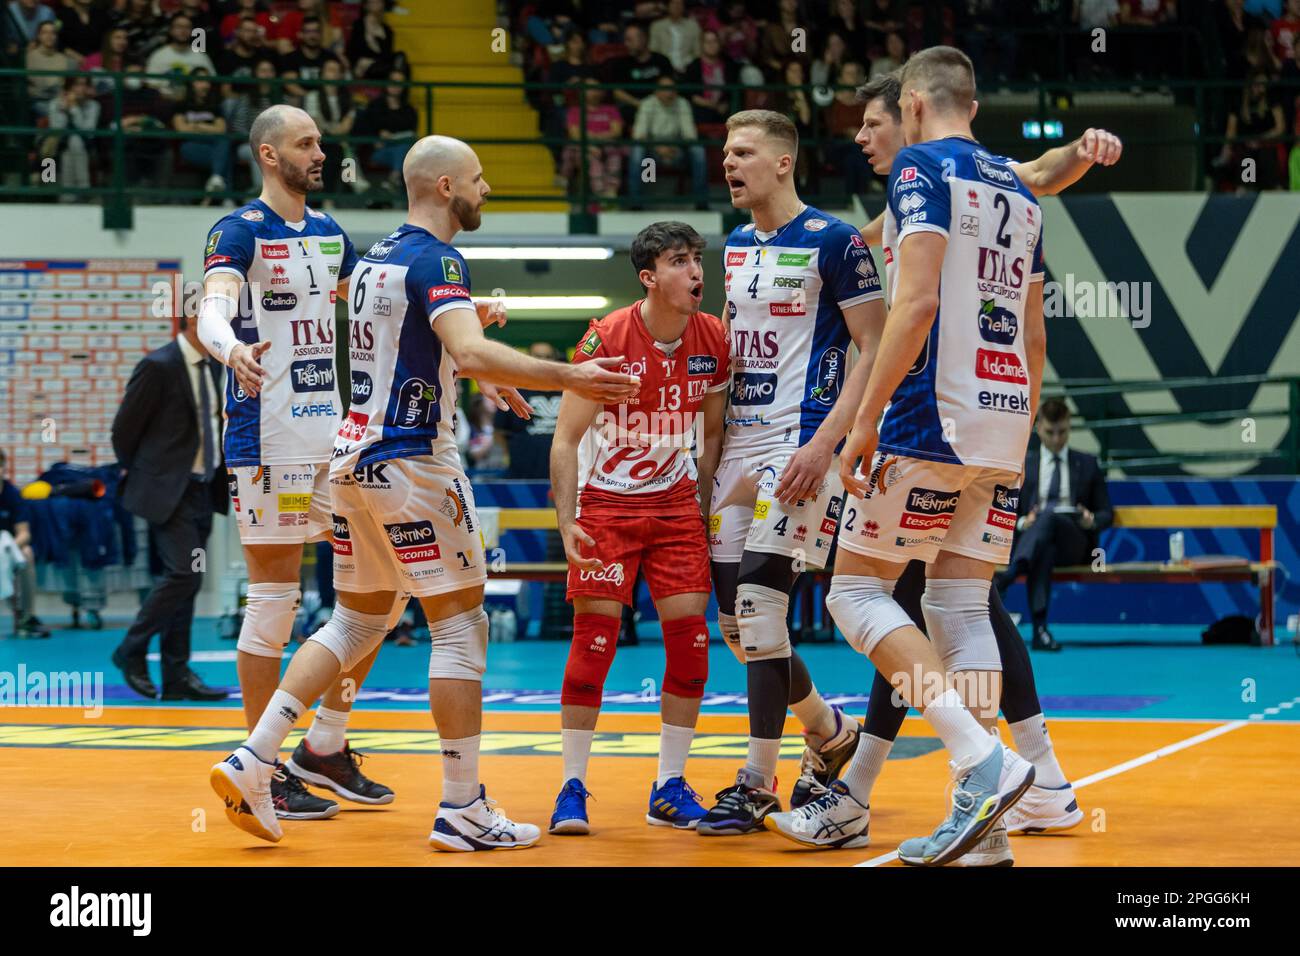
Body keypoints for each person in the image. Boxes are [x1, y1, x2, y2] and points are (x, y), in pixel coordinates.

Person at [208, 133, 641, 847]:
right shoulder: (438, 258)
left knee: (355, 622)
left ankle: (257, 755)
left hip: (351, 461)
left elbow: (432, 349)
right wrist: (569, 376)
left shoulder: (376, 256)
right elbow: (464, 350)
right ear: (445, 187)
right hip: (415, 466)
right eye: (477, 178)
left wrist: (475, 354)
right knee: (460, 626)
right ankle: (463, 804)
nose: (486, 190)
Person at [772, 69, 1120, 861]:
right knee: (960, 608)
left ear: (915, 105)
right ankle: (988, 826)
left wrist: (862, 423)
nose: (871, 134)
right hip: (1003, 426)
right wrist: (1020, 433)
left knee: (855, 591)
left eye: (881, 118)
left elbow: (916, 304)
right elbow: (1034, 335)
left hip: (931, 421)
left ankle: (979, 758)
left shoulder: (921, 170)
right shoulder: (1018, 195)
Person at [197, 104, 392, 823]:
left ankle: (325, 746)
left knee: (382, 592)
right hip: (267, 439)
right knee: (275, 602)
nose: (320, 151)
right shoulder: (240, 231)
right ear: (269, 155)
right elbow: (209, 307)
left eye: (320, 141)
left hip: (334, 440)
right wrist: (230, 348)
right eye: (306, 143)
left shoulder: (331, 234)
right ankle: (263, 764)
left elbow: (376, 309)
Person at [696, 108, 886, 836]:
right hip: (736, 449)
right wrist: (704, 462)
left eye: (742, 151)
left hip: (801, 445)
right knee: (742, 630)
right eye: (724, 151)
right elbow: (726, 353)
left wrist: (826, 447)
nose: (728, 163)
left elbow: (872, 347)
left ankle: (755, 783)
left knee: (761, 607)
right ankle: (829, 731)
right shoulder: (738, 245)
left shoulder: (836, 241)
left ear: (783, 161)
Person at [547, 221, 730, 835]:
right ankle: (571, 786)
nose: (696, 271)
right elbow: (567, 437)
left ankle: (670, 785)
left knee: (691, 647)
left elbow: (711, 438)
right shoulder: (605, 338)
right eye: (680, 261)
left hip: (677, 509)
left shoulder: (714, 339)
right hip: (608, 508)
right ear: (649, 277)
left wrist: (704, 511)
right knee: (592, 648)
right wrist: (567, 519)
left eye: (698, 259)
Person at [109, 312, 227, 703]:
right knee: (184, 574)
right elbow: (123, 431)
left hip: (202, 490)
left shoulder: (213, 366)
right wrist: (153, 474)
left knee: (189, 580)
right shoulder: (158, 365)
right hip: (168, 492)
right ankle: (131, 649)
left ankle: (176, 676)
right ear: (192, 320)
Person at [995, 398, 1113, 651]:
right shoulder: (1024, 464)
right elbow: (1005, 510)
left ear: (1069, 427)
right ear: (1038, 428)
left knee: (1048, 519)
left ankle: (1009, 575)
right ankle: (1040, 630)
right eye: (1050, 432)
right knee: (1044, 547)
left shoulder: (1089, 463)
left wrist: (1090, 520)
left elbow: (1107, 514)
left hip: (1076, 543)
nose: (1057, 439)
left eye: (1062, 432)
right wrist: (1024, 522)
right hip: (1039, 544)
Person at [628, 74, 708, 206]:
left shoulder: (682, 103)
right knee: (637, 150)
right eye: (664, 89)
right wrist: (657, 147)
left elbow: (690, 135)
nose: (669, 93)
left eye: (671, 89)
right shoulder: (647, 104)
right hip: (652, 153)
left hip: (676, 149)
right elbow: (639, 135)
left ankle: (701, 200)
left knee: (698, 149)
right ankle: (635, 201)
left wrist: (674, 147)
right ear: (656, 91)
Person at [494, 342, 563, 480]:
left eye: (548, 356)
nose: (544, 361)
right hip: (522, 474)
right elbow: (499, 431)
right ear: (528, 358)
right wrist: (509, 455)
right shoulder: (513, 389)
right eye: (538, 356)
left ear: (555, 360)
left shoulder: (567, 390)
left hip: (562, 472)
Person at [0, 448, 47, 638]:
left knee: (27, 553)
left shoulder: (12, 495)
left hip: (9, 549)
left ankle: (27, 616)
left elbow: (24, 533)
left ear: (3, 468)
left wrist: (7, 546)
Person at [604, 22, 675, 127]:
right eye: (626, 40)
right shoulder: (620, 64)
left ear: (643, 39)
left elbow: (669, 85)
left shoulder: (662, 60)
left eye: (630, 40)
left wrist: (654, 104)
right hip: (633, 106)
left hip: (660, 104)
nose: (626, 44)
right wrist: (640, 104)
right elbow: (617, 92)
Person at [173, 70, 230, 197]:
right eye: (200, 81)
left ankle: (216, 178)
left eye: (207, 81)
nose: (205, 85)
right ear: (192, 83)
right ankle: (226, 196)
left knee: (224, 144)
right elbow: (181, 128)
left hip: (211, 144)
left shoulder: (215, 106)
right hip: (191, 146)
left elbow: (221, 129)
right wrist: (209, 127)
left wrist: (197, 125)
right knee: (224, 156)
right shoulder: (182, 105)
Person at [45, 75, 100, 199]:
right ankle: (81, 188)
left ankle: (68, 193)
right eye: (77, 85)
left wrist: (74, 109)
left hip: (85, 144)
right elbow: (57, 128)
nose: (80, 89)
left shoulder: (93, 105)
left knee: (75, 141)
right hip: (56, 145)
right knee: (66, 145)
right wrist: (64, 109)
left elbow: (88, 131)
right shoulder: (55, 103)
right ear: (68, 88)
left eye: (84, 85)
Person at [145, 12, 216, 100]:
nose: (183, 31)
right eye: (179, 27)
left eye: (187, 27)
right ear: (171, 30)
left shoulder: (201, 57)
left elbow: (212, 82)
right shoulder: (158, 55)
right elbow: (150, 85)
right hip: (165, 103)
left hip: (194, 104)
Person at [25, 20, 68, 118]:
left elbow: (63, 85)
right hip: (37, 101)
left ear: (56, 36)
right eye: (45, 33)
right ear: (39, 36)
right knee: (58, 113)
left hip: (58, 100)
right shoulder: (29, 57)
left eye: (53, 33)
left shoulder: (62, 59)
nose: (49, 36)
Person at [649, 0, 701, 73]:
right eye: (673, 3)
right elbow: (653, 51)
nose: (677, 6)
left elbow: (698, 53)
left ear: (683, 6)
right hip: (663, 68)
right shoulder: (657, 26)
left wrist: (689, 66)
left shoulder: (693, 26)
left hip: (688, 69)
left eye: (680, 3)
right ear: (668, 6)